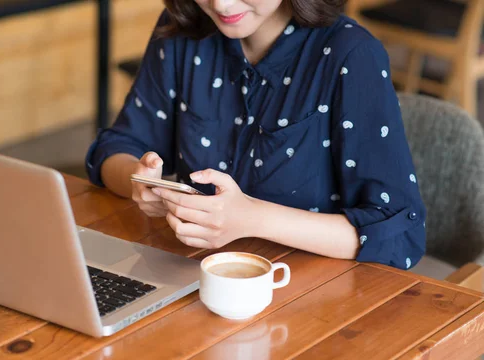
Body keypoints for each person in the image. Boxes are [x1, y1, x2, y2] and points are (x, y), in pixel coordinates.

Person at [85, 0, 426, 270]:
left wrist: (252, 218)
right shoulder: (184, 32)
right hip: (195, 277)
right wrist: (139, 182)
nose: (222, 5)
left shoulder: (350, 55)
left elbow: (400, 233)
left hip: (312, 297)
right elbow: (117, 147)